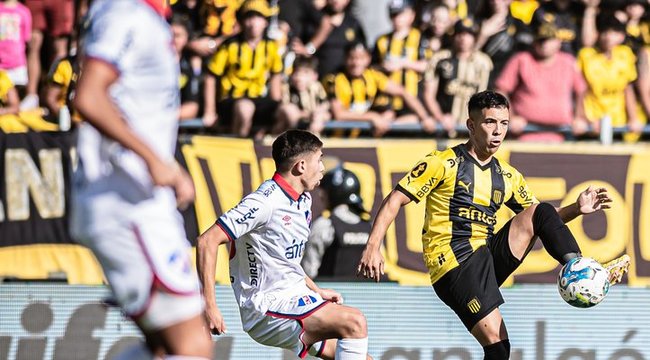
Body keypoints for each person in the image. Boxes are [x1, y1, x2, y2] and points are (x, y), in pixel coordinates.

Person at [357, 90, 631, 360]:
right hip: (456, 264)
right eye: (490, 122)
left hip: (486, 257)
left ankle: (579, 268)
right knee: (499, 348)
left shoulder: (507, 175)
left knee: (542, 210)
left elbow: (546, 222)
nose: (498, 131)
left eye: (504, 124)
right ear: (471, 125)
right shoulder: (443, 163)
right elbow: (395, 199)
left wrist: (576, 209)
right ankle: (581, 272)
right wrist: (373, 247)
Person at [70, 0, 213, 358]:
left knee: (164, 348)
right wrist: (154, 160)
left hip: (138, 200)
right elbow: (88, 96)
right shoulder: (125, 13)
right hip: (126, 204)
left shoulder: (145, 17)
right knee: (193, 348)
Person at [197, 130, 372, 360]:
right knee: (354, 321)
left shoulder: (303, 201)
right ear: (300, 166)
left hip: (293, 299)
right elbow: (206, 241)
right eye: (319, 160)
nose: (322, 168)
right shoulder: (264, 202)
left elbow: (286, 261)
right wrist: (208, 306)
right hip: (267, 309)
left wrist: (316, 291)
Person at [495, 20, 588, 142]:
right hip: (525, 133)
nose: (544, 44)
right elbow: (501, 89)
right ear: (534, 42)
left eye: (549, 40)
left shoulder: (568, 62)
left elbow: (581, 91)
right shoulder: (521, 59)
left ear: (558, 42)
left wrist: (579, 117)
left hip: (562, 134)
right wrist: (509, 117)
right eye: (541, 40)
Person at [203, 0, 283, 138]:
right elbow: (210, 77)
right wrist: (210, 111)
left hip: (258, 100)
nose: (253, 23)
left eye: (258, 17)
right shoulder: (230, 45)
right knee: (245, 108)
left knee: (289, 112)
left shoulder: (271, 46)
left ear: (265, 22)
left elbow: (276, 76)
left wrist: (276, 104)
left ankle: (276, 149)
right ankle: (240, 151)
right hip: (231, 101)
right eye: (249, 17)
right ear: (243, 21)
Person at [323, 41, 435, 137]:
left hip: (365, 137)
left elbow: (403, 92)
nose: (356, 63)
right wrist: (372, 117)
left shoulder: (372, 76)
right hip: (338, 139)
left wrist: (425, 117)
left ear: (368, 59)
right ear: (345, 59)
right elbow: (339, 114)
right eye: (352, 58)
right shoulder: (334, 80)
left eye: (361, 58)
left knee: (412, 119)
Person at [423, 18, 492, 135]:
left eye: (469, 34)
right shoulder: (439, 59)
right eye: (460, 33)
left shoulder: (483, 63)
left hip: (472, 131)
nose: (463, 38)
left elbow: (485, 100)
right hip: (442, 128)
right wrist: (440, 117)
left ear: (475, 37)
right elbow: (428, 95)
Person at [302, 166, 373, 280]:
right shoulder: (370, 227)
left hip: (331, 295)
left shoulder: (324, 225)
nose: (321, 196)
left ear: (333, 193)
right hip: (365, 296)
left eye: (324, 192)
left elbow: (308, 271)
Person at [274, 56, 331, 136]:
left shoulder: (316, 87)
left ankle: (314, 136)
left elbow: (325, 103)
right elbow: (285, 107)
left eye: (305, 73)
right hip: (291, 122)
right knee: (289, 110)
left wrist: (317, 113)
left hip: (312, 115)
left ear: (315, 76)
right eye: (297, 73)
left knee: (322, 115)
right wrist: (305, 114)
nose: (300, 77)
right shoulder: (288, 87)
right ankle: (295, 136)